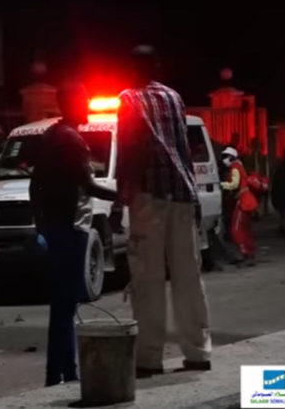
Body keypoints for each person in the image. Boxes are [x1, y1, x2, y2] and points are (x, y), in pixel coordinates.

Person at [116, 44, 212, 377]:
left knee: (148, 279)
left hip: (150, 198)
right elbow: (183, 149)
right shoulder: (174, 97)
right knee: (188, 277)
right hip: (182, 194)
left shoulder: (129, 99)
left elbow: (132, 148)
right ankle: (198, 352)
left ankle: (148, 357)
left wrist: (123, 194)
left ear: (131, 68)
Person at [29, 82, 116, 387]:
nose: (87, 107)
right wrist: (124, 195)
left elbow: (35, 184)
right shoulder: (71, 139)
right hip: (71, 227)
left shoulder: (51, 135)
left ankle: (64, 371)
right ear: (71, 104)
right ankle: (59, 374)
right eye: (83, 100)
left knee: (63, 304)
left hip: (56, 226)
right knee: (66, 304)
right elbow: (88, 186)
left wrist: (41, 224)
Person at [221, 147, 257, 265]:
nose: (224, 159)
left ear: (232, 157)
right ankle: (249, 252)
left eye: (226, 156)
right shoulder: (239, 166)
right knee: (245, 229)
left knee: (236, 229)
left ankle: (245, 253)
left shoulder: (235, 168)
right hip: (247, 200)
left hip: (243, 202)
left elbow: (234, 184)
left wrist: (221, 185)